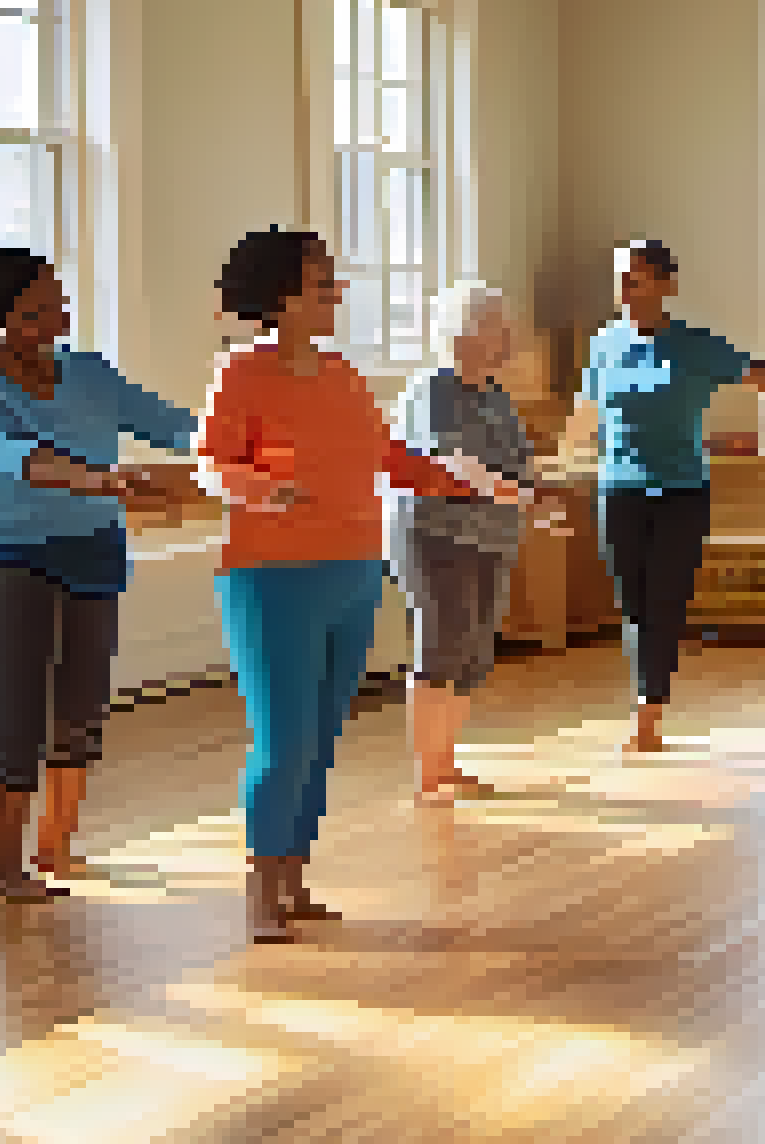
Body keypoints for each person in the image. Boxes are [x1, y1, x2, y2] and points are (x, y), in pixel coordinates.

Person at [198, 227, 531, 943]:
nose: (337, 294)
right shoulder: (241, 373)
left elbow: (386, 455)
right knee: (282, 740)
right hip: (271, 574)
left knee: (319, 741)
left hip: (352, 570)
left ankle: (294, 884)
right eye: (323, 285)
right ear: (282, 299)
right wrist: (262, 489)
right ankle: (261, 891)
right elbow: (212, 463)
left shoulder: (343, 374)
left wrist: (468, 486)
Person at [0, 247, 196, 902]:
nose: (57, 312)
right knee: (17, 704)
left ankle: (55, 845)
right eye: (38, 307)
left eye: (58, 297)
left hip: (89, 546)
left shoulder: (88, 373)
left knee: (80, 704)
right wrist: (102, 479)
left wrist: (251, 442)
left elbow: (172, 425)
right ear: (3, 318)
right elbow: (27, 460)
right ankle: (5, 867)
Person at [562, 239, 765, 755]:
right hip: (619, 489)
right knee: (633, 603)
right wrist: (553, 468)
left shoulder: (694, 345)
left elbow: (758, 373)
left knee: (664, 600)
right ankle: (647, 696)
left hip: (681, 492)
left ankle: (649, 708)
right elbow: (585, 413)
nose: (623, 289)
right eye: (619, 278)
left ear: (665, 286)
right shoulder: (604, 343)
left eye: (634, 279)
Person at [385, 283, 568, 805]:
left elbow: (519, 462)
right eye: (499, 326)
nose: (510, 337)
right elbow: (453, 467)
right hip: (435, 533)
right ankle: (428, 773)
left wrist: (539, 494)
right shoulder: (433, 390)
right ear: (466, 333)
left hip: (491, 535)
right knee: (442, 643)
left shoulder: (495, 393)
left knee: (474, 648)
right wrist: (518, 493)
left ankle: (446, 762)